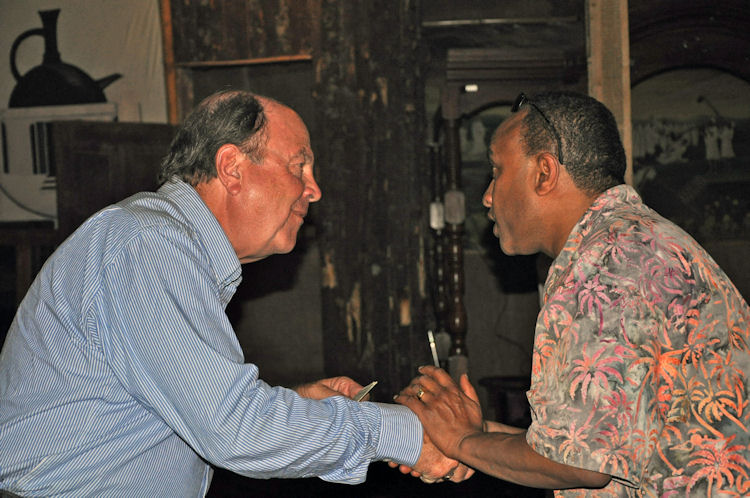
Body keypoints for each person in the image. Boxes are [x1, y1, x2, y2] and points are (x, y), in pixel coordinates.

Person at [0, 90, 468, 497]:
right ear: (232, 168)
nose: (314, 190)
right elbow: (235, 428)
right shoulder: (147, 244)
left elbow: (182, 417)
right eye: (299, 165)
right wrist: (406, 433)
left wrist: (302, 406)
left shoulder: (162, 247)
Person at [395, 91, 750, 496]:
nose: (488, 196)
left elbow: (579, 464)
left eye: (497, 171)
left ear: (544, 173)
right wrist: (472, 436)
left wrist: (462, 442)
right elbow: (591, 442)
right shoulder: (631, 241)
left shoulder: (606, 267)